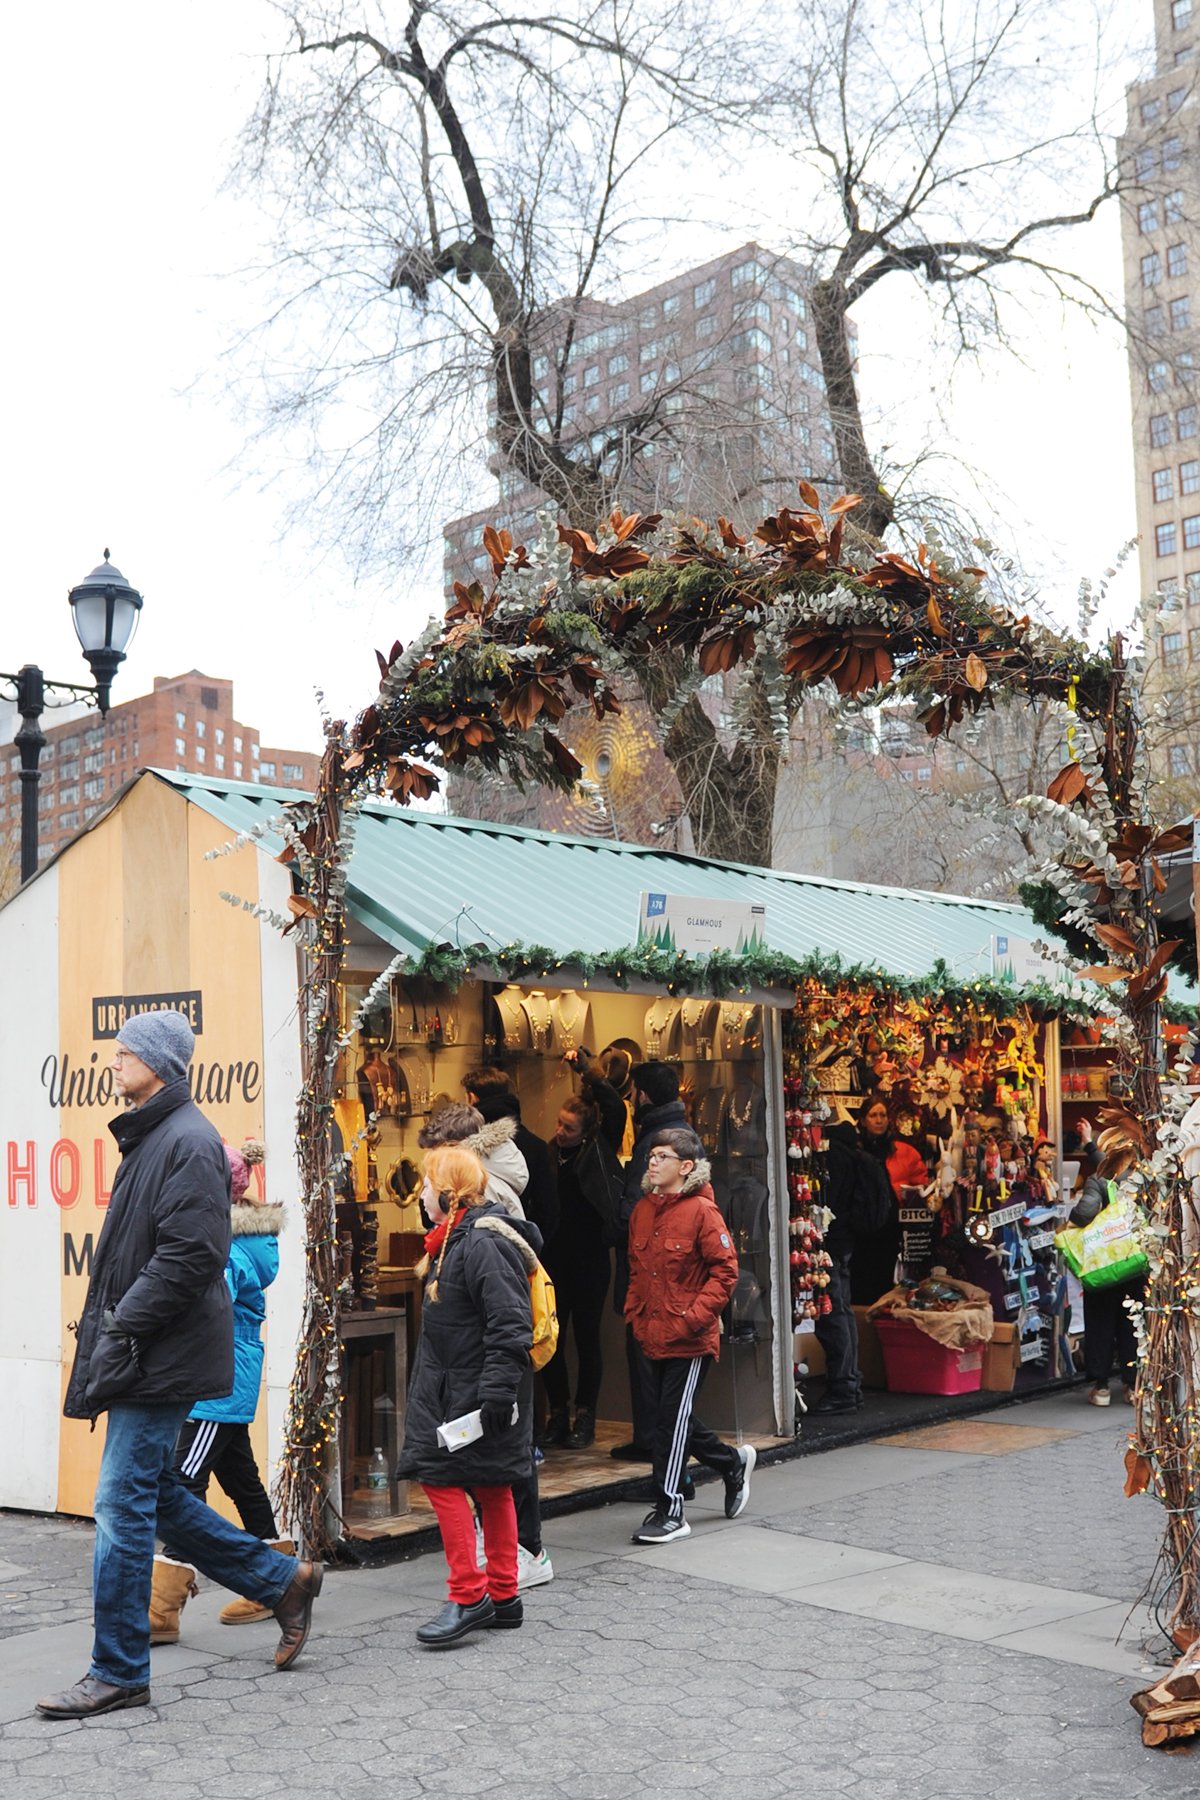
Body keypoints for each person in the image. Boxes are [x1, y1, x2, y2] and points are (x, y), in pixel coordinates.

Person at [35, 1012, 320, 1720]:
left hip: (155, 1355)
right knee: (155, 1495)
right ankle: (281, 1579)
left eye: (123, 1051)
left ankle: (120, 1667)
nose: (112, 1061)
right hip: (149, 1352)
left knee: (119, 1506)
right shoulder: (162, 1135)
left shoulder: (186, 1140)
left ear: (157, 1062)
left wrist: (125, 1322)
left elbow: (193, 1256)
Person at [398, 1145, 541, 1646]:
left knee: (442, 1480)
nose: (420, 1194)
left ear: (448, 1191)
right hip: (462, 1387)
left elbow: (509, 1324)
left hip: (472, 1391)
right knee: (491, 1484)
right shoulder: (454, 1241)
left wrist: (497, 1395)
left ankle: (469, 1594)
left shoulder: (479, 1243)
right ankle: (504, 1595)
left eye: (426, 1184)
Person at [150, 1138, 291, 1641]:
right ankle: (281, 1578)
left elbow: (208, 1306)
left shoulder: (222, 1245)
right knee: (240, 1476)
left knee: (183, 1482)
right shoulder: (239, 1238)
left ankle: (162, 1608)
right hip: (229, 1373)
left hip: (215, 1377)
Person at [625, 1126, 753, 1544]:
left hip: (690, 1335)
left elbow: (726, 1270)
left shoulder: (702, 1211)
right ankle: (732, 1463)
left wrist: (696, 1318)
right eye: (651, 1155)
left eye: (662, 1156)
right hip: (651, 1330)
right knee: (670, 1418)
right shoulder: (643, 1209)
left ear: (686, 1166)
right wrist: (634, 1313)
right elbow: (636, 1269)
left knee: (671, 1421)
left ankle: (671, 1509)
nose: (652, 1162)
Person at [609, 1061, 690, 1461]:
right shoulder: (678, 1135)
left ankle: (661, 1449)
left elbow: (638, 1210)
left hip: (654, 1274)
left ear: (642, 1095)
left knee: (650, 1361)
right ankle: (657, 1444)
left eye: (633, 1092)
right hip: (666, 1271)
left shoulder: (657, 1143)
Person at [540, 1089, 624, 1450]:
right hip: (554, 1258)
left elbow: (613, 1108)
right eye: (559, 1123)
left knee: (587, 1338)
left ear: (586, 1131)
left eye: (569, 1127)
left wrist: (591, 1076)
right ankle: (557, 1412)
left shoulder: (596, 1153)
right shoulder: (548, 1153)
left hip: (588, 1260)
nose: (561, 1131)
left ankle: (585, 1415)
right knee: (551, 1340)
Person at [1069, 1135, 1142, 1407]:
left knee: (1100, 1323)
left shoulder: (1098, 1181)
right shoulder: (1142, 1180)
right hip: (1134, 1265)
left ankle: (1101, 1388)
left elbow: (1084, 1212)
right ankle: (1132, 1384)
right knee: (1132, 1324)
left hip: (1103, 1266)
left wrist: (1072, 1222)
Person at [462, 1067, 559, 1242]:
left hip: (476, 1245)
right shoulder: (536, 1146)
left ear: (472, 1098)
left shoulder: (464, 1148)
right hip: (522, 1247)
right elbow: (548, 1211)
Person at [853, 1094, 928, 1306]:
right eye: (873, 1115)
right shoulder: (855, 1151)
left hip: (893, 1229)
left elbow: (922, 1187)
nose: (879, 1120)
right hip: (863, 1231)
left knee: (888, 1283)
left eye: (883, 1115)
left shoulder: (905, 1152)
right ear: (863, 1120)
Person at [418, 1102, 528, 1216]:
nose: (434, 1160)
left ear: (453, 1146)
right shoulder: (488, 1175)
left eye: (437, 1152)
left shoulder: (476, 1185)